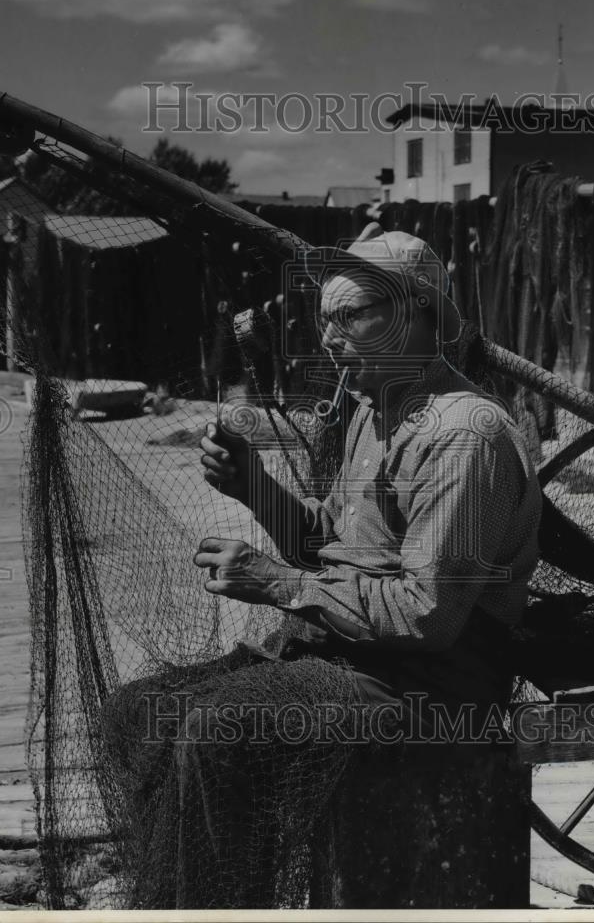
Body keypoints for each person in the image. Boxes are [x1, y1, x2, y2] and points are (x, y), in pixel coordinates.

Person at [103, 227, 542, 909]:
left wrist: (276, 584)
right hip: (351, 659)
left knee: (219, 732)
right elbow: (325, 550)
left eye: (354, 316)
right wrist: (252, 485)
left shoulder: (463, 435)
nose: (332, 339)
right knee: (139, 712)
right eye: (326, 320)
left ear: (420, 314)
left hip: (431, 686)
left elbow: (426, 616)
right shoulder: (375, 410)